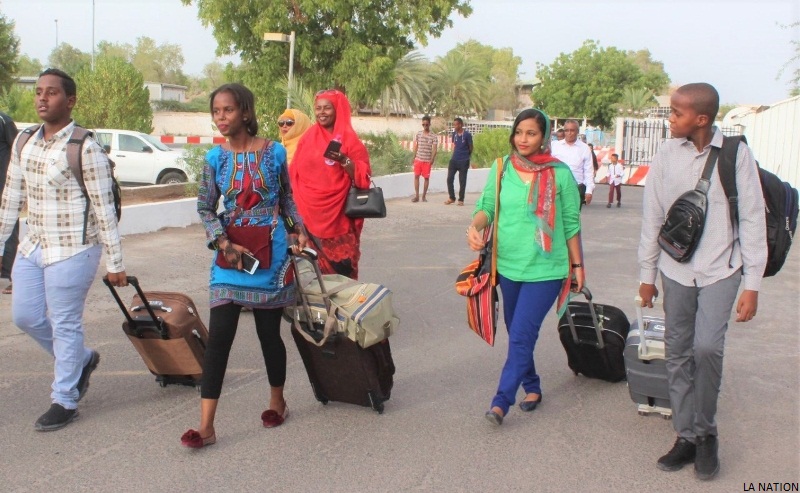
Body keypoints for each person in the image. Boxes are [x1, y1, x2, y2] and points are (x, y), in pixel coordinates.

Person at [638, 83, 766, 480]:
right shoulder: (666, 154)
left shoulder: (736, 155)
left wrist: (752, 284)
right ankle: (686, 435)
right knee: (677, 351)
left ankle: (707, 433)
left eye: (677, 113)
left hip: (721, 268)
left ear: (702, 119)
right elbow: (653, 216)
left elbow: (752, 219)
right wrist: (647, 275)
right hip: (675, 269)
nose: (670, 119)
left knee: (707, 346)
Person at [182, 83, 308, 449]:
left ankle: (277, 402)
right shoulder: (214, 159)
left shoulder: (275, 152)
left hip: (272, 254)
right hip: (230, 255)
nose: (221, 117)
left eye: (228, 110)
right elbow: (205, 207)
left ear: (246, 112)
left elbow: (287, 199)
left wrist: (298, 230)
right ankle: (206, 426)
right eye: (216, 111)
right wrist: (223, 243)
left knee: (269, 335)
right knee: (219, 338)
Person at [0, 68, 126, 431]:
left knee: (65, 322)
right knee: (24, 317)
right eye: (39, 91)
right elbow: (11, 198)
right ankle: (81, 360)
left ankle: (65, 399)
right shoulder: (24, 141)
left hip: (74, 248)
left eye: (51, 92)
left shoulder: (85, 147)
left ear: (69, 101)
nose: (42, 98)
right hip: (34, 245)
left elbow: (104, 209)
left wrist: (115, 262)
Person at [465, 108, 584, 426]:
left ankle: (500, 402)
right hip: (508, 266)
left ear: (543, 137)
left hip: (546, 269)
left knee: (521, 334)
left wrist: (577, 265)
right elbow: (487, 207)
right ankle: (532, 386)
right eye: (519, 132)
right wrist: (475, 226)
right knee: (516, 331)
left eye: (531, 133)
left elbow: (571, 223)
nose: (523, 139)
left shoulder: (560, 173)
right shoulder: (502, 167)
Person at [290, 89, 372, 280]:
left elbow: (363, 175)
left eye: (327, 108)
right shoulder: (308, 137)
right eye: (318, 108)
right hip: (308, 214)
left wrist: (343, 159)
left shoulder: (350, 139)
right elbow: (294, 172)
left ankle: (342, 298)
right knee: (311, 273)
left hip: (339, 216)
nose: (321, 112)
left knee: (342, 270)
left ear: (338, 110)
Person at [552, 119, 595, 207]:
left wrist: (589, 190)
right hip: (556, 188)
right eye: (566, 130)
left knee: (573, 215)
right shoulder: (555, 146)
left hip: (576, 189)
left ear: (577, 132)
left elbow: (589, 171)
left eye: (572, 130)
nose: (569, 133)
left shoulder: (584, 148)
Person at [0, 111, 18, 294]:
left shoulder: (4, 120)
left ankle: (12, 275)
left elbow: (17, 150)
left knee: (9, 228)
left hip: (4, 186)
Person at [444, 117, 473, 206]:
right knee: (449, 179)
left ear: (461, 125)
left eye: (456, 124)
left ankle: (461, 199)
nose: (455, 126)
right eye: (454, 125)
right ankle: (452, 197)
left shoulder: (467, 135)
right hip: (454, 159)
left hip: (464, 160)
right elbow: (455, 145)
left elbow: (471, 147)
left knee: (462, 180)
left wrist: (467, 156)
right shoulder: (454, 134)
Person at [411, 115, 438, 203]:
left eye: (426, 124)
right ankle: (417, 196)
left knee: (426, 178)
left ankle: (424, 196)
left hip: (427, 161)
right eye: (423, 124)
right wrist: (414, 157)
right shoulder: (418, 134)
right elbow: (416, 146)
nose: (425, 126)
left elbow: (435, 149)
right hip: (418, 159)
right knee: (416, 176)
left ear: (429, 124)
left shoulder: (433, 136)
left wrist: (432, 159)